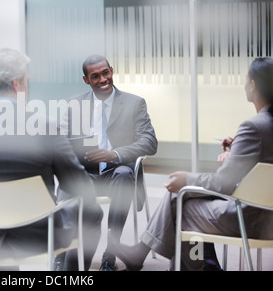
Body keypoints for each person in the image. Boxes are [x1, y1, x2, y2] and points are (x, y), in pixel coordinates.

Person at [0, 48, 103, 271]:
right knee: (93, 211)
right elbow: (80, 186)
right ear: (16, 84)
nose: (27, 86)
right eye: (26, 81)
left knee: (1, 214)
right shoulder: (46, 127)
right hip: (38, 237)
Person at [109, 57, 273, 271]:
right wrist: (237, 151)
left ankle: (186, 263)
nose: (244, 85)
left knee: (181, 203)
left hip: (250, 218)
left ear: (252, 85)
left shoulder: (253, 127)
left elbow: (224, 183)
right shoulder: (262, 127)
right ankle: (204, 264)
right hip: (267, 214)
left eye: (245, 80)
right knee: (180, 198)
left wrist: (187, 178)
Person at [61, 54, 158, 271]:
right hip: (85, 172)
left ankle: (110, 253)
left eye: (106, 73)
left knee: (124, 175)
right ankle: (62, 255)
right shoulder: (75, 104)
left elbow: (150, 142)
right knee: (65, 181)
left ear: (112, 71)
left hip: (117, 170)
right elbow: (62, 141)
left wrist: (114, 154)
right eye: (95, 76)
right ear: (86, 80)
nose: (103, 79)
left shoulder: (134, 103)